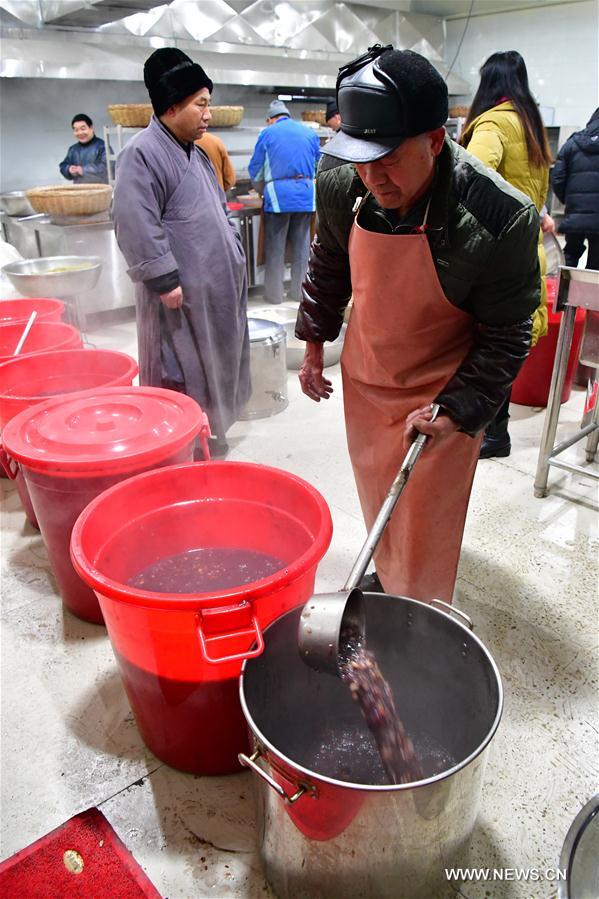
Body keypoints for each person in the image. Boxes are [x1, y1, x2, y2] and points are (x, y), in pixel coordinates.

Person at [296, 45, 540, 603]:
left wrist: (457, 411)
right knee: (377, 490)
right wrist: (314, 342)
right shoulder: (342, 181)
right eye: (360, 155)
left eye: (387, 157)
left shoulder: (498, 217)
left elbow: (507, 334)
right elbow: (329, 262)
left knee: (427, 514)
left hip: (443, 389)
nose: (371, 175)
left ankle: (418, 611)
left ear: (436, 141)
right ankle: (389, 572)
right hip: (368, 376)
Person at [112, 48, 250, 457]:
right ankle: (180, 445)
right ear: (173, 107)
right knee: (181, 368)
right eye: (201, 104)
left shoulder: (196, 150)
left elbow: (217, 205)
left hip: (213, 287)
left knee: (214, 361)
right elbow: (133, 218)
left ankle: (209, 432)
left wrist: (233, 245)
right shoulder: (143, 152)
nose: (208, 114)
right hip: (180, 294)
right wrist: (163, 278)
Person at [460, 50, 553, 459]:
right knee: (504, 340)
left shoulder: (494, 123)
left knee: (483, 341)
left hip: (493, 254)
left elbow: (470, 174)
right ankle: (496, 432)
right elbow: (532, 190)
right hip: (527, 252)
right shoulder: (531, 126)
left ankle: (491, 433)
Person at [248, 99, 320, 304]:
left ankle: (274, 295)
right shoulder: (309, 133)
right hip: (306, 196)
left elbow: (256, 168)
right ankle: (299, 293)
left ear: (271, 119)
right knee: (302, 248)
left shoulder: (268, 133)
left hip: (279, 197)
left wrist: (262, 190)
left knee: (275, 248)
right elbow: (318, 164)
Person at [551, 108, 599, 271]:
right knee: (595, 265)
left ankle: (560, 293)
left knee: (569, 255)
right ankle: (587, 296)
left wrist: (570, 201)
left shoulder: (572, 143)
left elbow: (557, 177)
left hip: (575, 212)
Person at [59, 114, 108, 184]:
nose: (80, 133)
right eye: (76, 130)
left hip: (99, 191)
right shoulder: (73, 149)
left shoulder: (102, 146)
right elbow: (63, 165)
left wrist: (83, 170)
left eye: (83, 129)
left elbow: (107, 168)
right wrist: (69, 169)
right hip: (79, 192)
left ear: (91, 128)